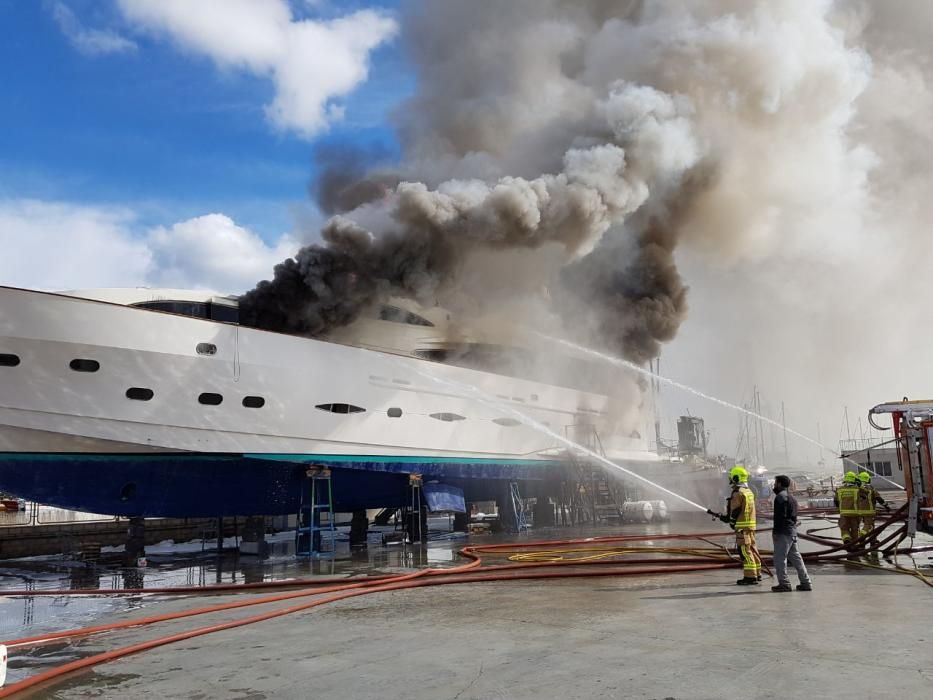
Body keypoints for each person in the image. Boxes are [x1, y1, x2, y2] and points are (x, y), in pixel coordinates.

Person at [770, 475, 812, 592]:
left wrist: (775, 532)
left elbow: (779, 517)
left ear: (779, 484)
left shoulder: (779, 498)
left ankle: (784, 583)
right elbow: (793, 517)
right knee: (796, 558)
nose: (774, 485)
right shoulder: (792, 498)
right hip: (792, 532)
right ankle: (806, 582)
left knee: (779, 558)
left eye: (775, 483)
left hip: (783, 532)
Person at [725, 465, 762, 585]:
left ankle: (750, 577)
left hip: (742, 528)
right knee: (752, 549)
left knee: (744, 551)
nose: (730, 479)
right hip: (751, 526)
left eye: (731, 477)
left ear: (736, 478)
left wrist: (731, 521)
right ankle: (758, 573)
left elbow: (735, 510)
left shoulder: (738, 493)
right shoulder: (748, 491)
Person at [856, 471, 889, 545]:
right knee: (869, 526)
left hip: (859, 511)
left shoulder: (857, 488)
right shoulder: (870, 488)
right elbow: (879, 498)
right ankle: (861, 537)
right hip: (869, 511)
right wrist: (886, 505)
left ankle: (872, 540)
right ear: (867, 479)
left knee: (870, 525)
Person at [834, 471, 861, 549]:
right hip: (855, 513)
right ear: (854, 479)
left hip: (844, 513)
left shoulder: (839, 490)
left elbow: (836, 501)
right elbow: (863, 499)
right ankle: (855, 545)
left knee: (844, 528)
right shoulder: (857, 489)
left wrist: (839, 509)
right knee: (855, 529)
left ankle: (847, 540)